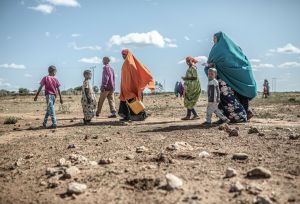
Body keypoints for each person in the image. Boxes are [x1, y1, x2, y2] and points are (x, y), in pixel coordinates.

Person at [204, 31, 257, 122]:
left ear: (220, 38)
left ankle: (240, 115)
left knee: (231, 97)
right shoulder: (220, 49)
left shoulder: (223, 50)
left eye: (215, 39)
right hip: (227, 78)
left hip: (229, 78)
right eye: (213, 39)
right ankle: (228, 117)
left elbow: (226, 62)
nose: (214, 41)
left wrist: (212, 65)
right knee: (226, 98)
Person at [118, 49, 155, 122]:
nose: (123, 56)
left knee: (133, 101)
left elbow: (136, 75)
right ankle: (128, 116)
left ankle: (140, 116)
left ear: (128, 54)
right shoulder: (126, 63)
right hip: (126, 87)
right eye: (122, 54)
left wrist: (135, 85)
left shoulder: (130, 63)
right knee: (126, 101)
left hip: (131, 86)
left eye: (124, 54)